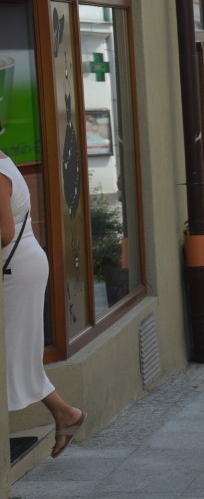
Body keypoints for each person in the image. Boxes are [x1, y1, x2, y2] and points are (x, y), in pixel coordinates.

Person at [1, 151, 86, 458]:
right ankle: (65, 413)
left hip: (16, 271)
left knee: (12, 354)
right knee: (16, 353)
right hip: (20, 267)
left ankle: (65, 412)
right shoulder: (4, 161)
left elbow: (4, 232)